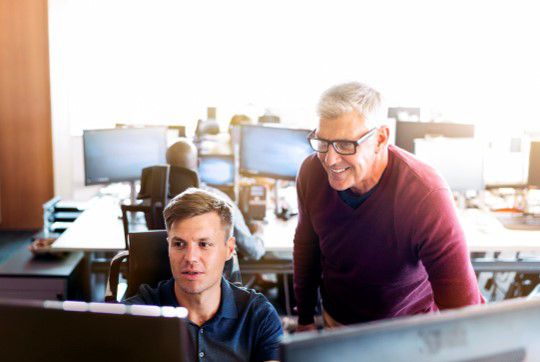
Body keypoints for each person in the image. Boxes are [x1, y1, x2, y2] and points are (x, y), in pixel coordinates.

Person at [294, 82, 484, 330]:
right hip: (338, 324)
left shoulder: (425, 195)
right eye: (322, 142)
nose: (330, 160)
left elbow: (463, 310)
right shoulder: (311, 173)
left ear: (380, 138)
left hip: (405, 332)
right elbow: (306, 249)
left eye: (344, 145)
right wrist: (305, 318)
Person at [125, 188, 283, 361]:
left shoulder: (258, 316)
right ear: (169, 247)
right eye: (179, 244)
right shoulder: (136, 315)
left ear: (229, 249)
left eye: (204, 244)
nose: (190, 258)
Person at [166, 138, 266, 261]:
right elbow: (253, 251)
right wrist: (259, 232)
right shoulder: (220, 201)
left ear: (168, 167)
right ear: (198, 163)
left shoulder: (153, 201)